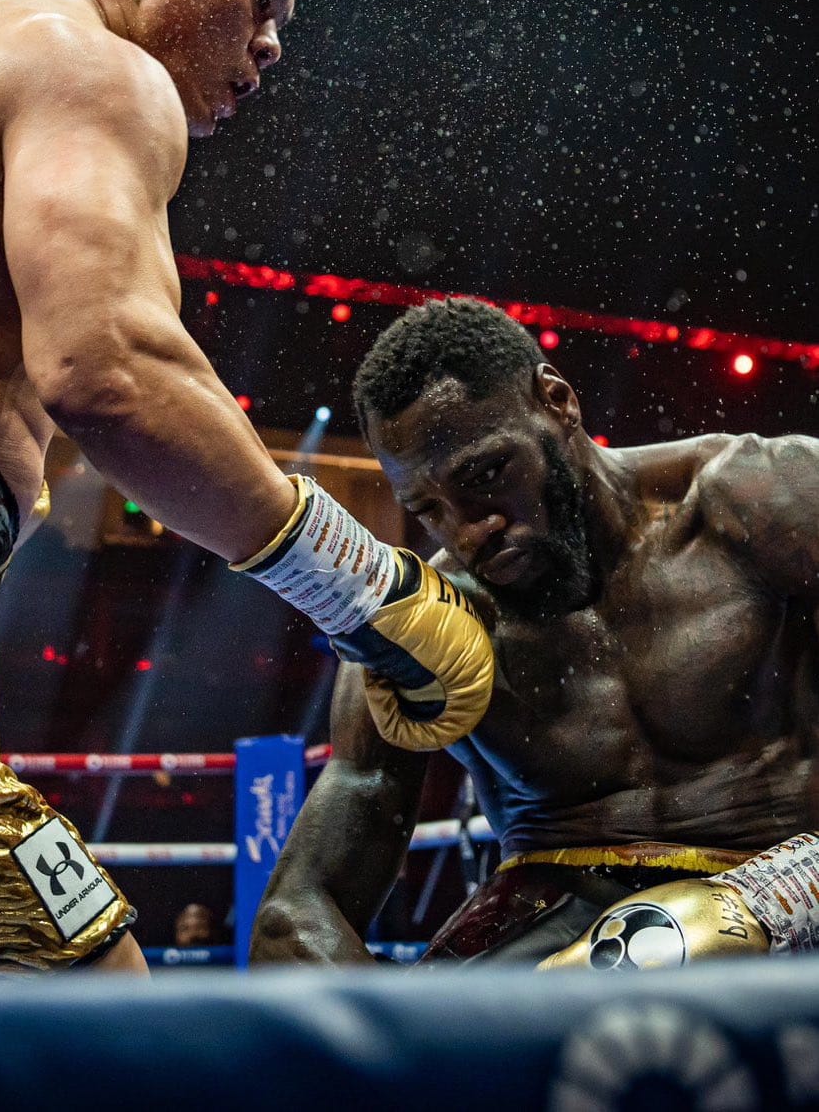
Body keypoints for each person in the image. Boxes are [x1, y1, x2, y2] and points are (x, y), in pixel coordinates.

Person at [0, 0, 497, 977]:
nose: (268, 46)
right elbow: (107, 367)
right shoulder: (102, 68)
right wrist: (362, 586)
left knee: (95, 984)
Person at [251, 297, 819, 968]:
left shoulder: (760, 499)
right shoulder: (430, 627)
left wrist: (788, 891)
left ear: (556, 400)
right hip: (553, 934)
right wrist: (392, 1054)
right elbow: (296, 917)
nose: (470, 531)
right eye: (429, 510)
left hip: (781, 897)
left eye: (486, 474)